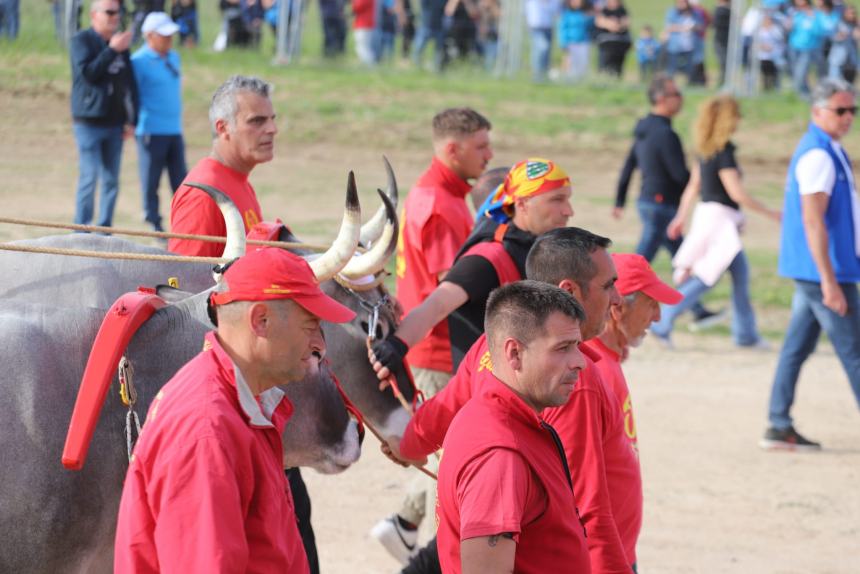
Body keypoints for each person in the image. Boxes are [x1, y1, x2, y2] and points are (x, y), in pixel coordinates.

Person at [387, 227, 642, 573]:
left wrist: (407, 444)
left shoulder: (494, 348)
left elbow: (444, 408)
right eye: (609, 284)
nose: (617, 298)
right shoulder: (567, 390)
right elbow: (588, 512)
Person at [370, 158, 573, 564]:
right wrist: (397, 345)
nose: (567, 210)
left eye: (568, 199)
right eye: (556, 200)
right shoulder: (491, 257)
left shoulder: (541, 252)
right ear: (520, 206)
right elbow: (439, 302)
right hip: (485, 395)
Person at [114, 247, 356, 572]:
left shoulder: (242, 404)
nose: (319, 345)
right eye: (309, 325)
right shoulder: (206, 432)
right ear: (261, 321)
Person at [371, 108, 492, 564]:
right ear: (452, 149)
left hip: (435, 346)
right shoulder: (440, 203)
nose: (489, 155)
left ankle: (404, 526)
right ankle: (429, 551)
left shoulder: (440, 193)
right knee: (451, 456)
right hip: (439, 349)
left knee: (448, 451)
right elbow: (455, 284)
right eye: (480, 147)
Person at [433, 281, 591, 574]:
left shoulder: (489, 416)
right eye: (563, 348)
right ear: (514, 353)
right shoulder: (500, 454)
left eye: (577, 346)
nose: (580, 361)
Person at [761, 78, 860, 450]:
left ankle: (777, 422)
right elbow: (812, 219)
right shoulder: (819, 154)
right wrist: (829, 280)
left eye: (853, 110)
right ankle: (777, 421)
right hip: (823, 273)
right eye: (840, 110)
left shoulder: (829, 149)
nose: (848, 117)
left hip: (817, 271)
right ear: (817, 111)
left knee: (796, 348)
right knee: (855, 351)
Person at [650, 95, 781, 348]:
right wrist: (771, 213)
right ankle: (665, 319)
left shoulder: (706, 150)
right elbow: (736, 193)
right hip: (721, 220)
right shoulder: (724, 151)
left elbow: (693, 186)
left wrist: (681, 217)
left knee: (739, 274)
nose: (739, 120)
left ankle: (746, 334)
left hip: (708, 215)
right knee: (706, 276)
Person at [614, 75, 720, 328]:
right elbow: (678, 174)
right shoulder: (665, 133)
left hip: (649, 202)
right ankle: (613, 294)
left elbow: (629, 165)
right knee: (641, 260)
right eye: (676, 94)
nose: (681, 98)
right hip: (661, 205)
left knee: (680, 257)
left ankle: (697, 309)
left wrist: (620, 198)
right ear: (661, 99)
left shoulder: (644, 128)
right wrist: (702, 186)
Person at [168, 75, 275, 256]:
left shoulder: (240, 181)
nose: (272, 129)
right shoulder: (204, 194)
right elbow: (183, 278)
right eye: (257, 121)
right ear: (223, 128)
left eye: (272, 119)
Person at [592, 253, 682, 449]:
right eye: (651, 305)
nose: (658, 317)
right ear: (618, 309)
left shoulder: (606, 358)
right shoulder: (597, 371)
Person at [70, 0, 137, 229]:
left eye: (118, 13)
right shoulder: (82, 40)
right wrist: (111, 50)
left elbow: (129, 83)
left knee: (111, 181)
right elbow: (89, 74)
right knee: (89, 177)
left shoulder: (120, 44)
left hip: (115, 123)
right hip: (88, 122)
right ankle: (81, 230)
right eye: (109, 12)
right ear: (94, 14)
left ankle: (104, 232)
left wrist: (132, 119)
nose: (114, 17)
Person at [131, 11, 187, 233]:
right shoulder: (138, 61)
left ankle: (183, 224)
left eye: (171, 35)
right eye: (164, 35)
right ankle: (154, 222)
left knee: (181, 181)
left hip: (174, 129)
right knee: (151, 182)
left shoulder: (174, 57)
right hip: (150, 130)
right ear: (149, 35)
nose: (169, 39)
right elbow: (131, 96)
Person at [525, 0, 562, 82]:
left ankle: (543, 74)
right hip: (536, 27)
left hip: (548, 28)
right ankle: (536, 73)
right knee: (542, 48)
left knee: (546, 52)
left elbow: (557, 11)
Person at [557, 0, 594, 82]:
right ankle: (566, 81)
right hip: (571, 42)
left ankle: (581, 81)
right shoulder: (566, 14)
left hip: (583, 42)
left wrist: (591, 17)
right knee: (569, 63)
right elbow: (562, 29)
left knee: (582, 64)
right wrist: (563, 43)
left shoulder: (585, 14)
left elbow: (591, 27)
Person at [594, 0, 630, 77]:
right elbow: (599, 21)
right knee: (605, 65)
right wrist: (610, 24)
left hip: (620, 42)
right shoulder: (604, 10)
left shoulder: (623, 11)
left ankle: (616, 77)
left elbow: (626, 22)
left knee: (617, 66)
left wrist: (618, 26)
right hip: (606, 42)